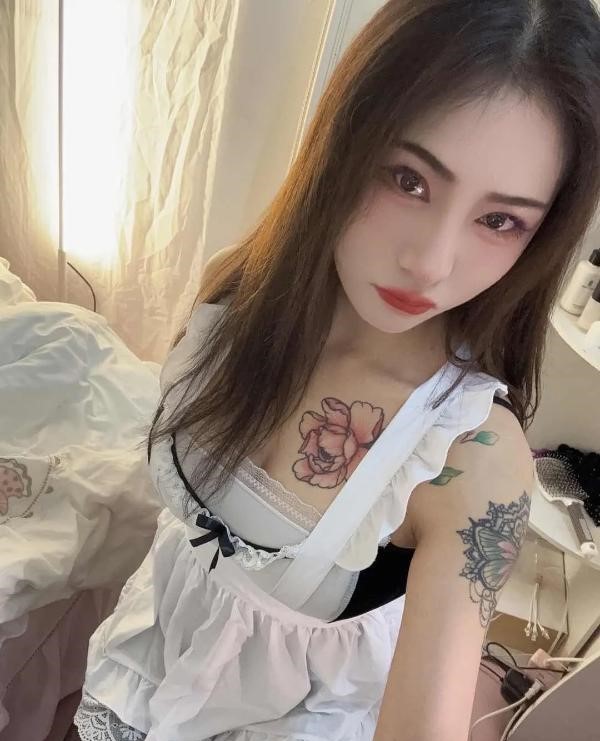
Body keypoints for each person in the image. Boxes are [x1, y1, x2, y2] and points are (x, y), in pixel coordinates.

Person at [73, 1, 600, 739]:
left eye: (499, 220)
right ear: (343, 144)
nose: (430, 261)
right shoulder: (237, 299)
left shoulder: (470, 456)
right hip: (143, 661)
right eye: (408, 179)